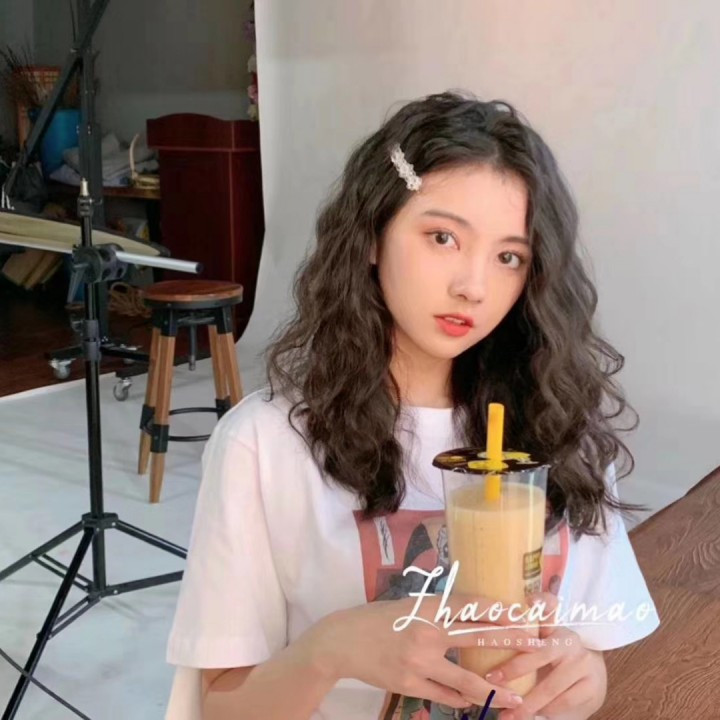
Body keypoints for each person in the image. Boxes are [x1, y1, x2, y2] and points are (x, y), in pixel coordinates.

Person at [164, 91, 660, 720]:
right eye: (442, 237)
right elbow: (220, 708)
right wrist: (330, 649)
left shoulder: (561, 433)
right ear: (373, 234)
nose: (473, 286)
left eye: (509, 257)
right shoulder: (263, 444)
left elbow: (586, 651)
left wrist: (584, 678)